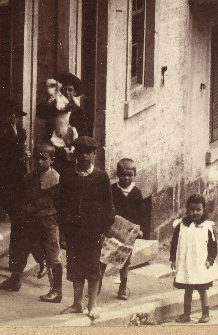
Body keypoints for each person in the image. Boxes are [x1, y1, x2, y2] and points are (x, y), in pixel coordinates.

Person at [0, 141, 64, 301]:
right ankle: (14, 281)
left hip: (47, 222)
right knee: (21, 250)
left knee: (52, 256)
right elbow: (24, 194)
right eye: (37, 158)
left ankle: (57, 291)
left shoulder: (56, 179)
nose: (39, 162)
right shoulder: (31, 176)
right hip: (31, 221)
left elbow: (58, 204)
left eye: (44, 159)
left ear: (52, 160)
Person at [55, 135, 115, 320]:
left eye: (88, 153)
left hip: (93, 232)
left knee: (92, 267)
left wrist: (104, 230)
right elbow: (60, 204)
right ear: (74, 154)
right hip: (73, 231)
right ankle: (77, 303)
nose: (83, 157)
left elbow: (108, 206)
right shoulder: (67, 176)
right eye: (80, 152)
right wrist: (64, 229)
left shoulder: (101, 177)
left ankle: (92, 305)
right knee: (75, 267)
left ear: (94, 154)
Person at [170, 194, 218, 323]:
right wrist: (173, 259)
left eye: (198, 209)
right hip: (187, 262)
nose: (195, 212)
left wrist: (210, 259)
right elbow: (174, 243)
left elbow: (213, 245)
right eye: (191, 209)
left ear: (204, 210)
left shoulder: (207, 226)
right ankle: (186, 314)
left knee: (202, 289)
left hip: (201, 263)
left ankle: (205, 313)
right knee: (188, 289)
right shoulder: (181, 225)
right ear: (187, 209)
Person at [111, 158, 150, 300]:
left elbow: (142, 214)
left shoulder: (136, 193)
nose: (126, 178)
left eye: (130, 175)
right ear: (117, 174)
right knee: (104, 258)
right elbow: (108, 209)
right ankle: (97, 285)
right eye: (123, 175)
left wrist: (139, 229)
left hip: (128, 233)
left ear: (135, 175)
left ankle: (122, 286)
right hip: (113, 231)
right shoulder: (113, 190)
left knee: (125, 259)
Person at [0, 102, 29, 220]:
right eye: (11, 115)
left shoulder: (21, 131)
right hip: (4, 177)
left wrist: (15, 131)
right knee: (14, 210)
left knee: (19, 211)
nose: (15, 119)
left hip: (18, 176)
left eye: (17, 116)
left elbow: (19, 148)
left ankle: (17, 237)